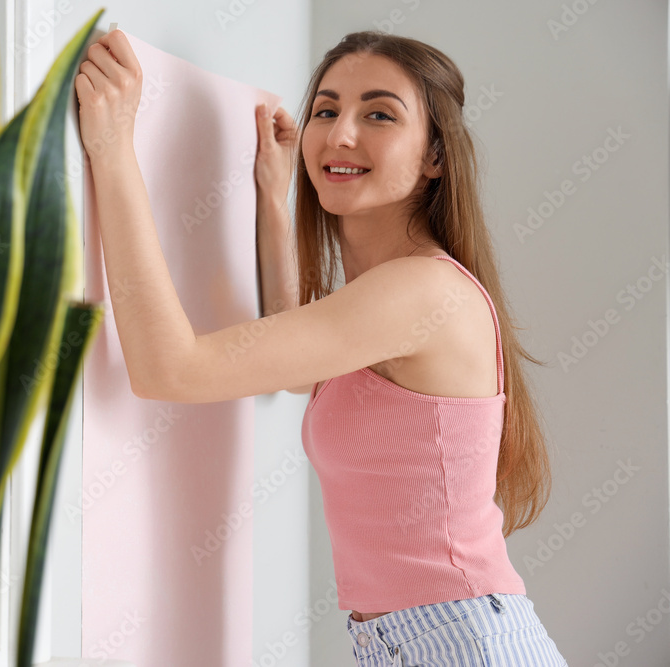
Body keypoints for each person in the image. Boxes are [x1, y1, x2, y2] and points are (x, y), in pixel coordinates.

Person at [75, 28, 568, 666]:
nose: (340, 135)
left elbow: (170, 369)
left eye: (379, 114)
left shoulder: (420, 292)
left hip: (460, 643)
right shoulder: (392, 297)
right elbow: (302, 369)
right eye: (328, 110)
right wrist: (274, 206)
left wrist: (113, 151)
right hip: (417, 640)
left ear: (435, 157)